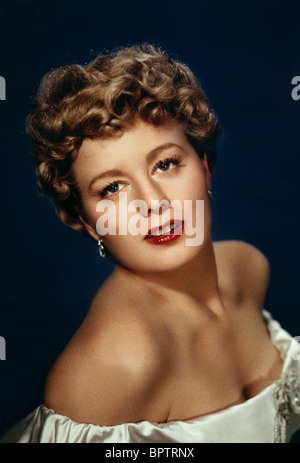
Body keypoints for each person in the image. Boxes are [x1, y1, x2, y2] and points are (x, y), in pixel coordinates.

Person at [1, 43, 300, 443]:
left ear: (205, 168)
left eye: (166, 163)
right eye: (112, 188)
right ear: (88, 224)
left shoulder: (248, 269)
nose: (153, 204)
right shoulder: (114, 364)